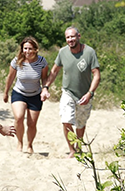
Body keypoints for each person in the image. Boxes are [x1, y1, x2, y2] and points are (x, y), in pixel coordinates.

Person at [42, 26, 101, 158]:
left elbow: (96, 75)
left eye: (73, 36)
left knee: (80, 124)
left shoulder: (90, 52)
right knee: (66, 120)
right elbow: (54, 71)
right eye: (68, 37)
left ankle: (79, 147)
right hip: (68, 92)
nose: (70, 39)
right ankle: (72, 150)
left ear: (78, 36)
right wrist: (45, 87)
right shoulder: (62, 52)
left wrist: (90, 93)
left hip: (85, 94)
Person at [3, 36, 49, 154]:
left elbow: (44, 78)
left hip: (35, 95)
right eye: (25, 48)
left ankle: (29, 145)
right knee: (19, 117)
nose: (27, 51)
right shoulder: (17, 61)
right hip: (19, 93)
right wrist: (6, 92)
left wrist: (45, 89)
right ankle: (20, 143)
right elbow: (10, 77)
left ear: (35, 49)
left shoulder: (41, 62)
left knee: (31, 123)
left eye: (30, 49)